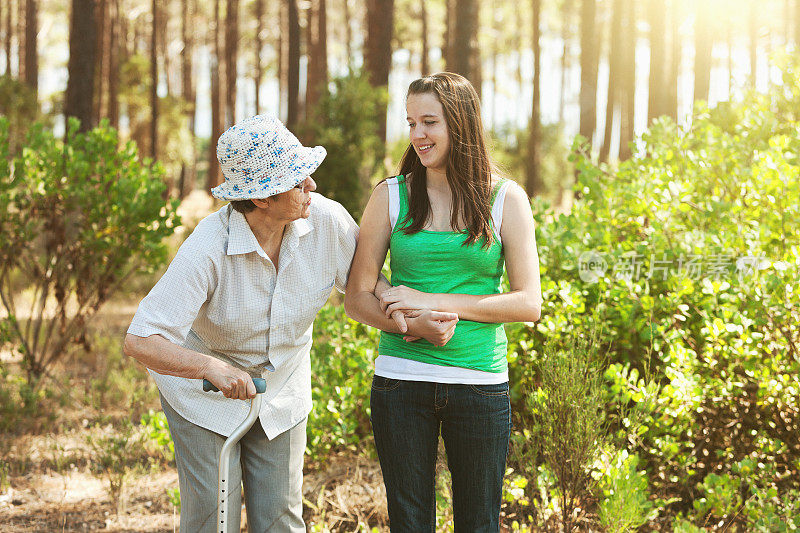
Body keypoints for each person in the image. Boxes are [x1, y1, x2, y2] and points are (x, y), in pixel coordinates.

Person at [123, 114, 453, 532]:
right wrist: (210, 368)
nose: (311, 186)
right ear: (261, 198)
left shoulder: (327, 221)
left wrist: (413, 320)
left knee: (280, 518)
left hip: (282, 389)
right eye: (298, 181)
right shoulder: (209, 247)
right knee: (211, 515)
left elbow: (370, 287)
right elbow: (140, 340)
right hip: (203, 394)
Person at [344, 72, 543, 532]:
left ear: (461, 123)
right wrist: (412, 326)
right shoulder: (389, 196)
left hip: (479, 383)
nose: (417, 136)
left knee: (478, 523)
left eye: (429, 122)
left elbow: (528, 303)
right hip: (400, 382)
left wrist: (427, 299)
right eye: (411, 122)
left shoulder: (506, 200)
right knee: (410, 523)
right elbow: (358, 296)